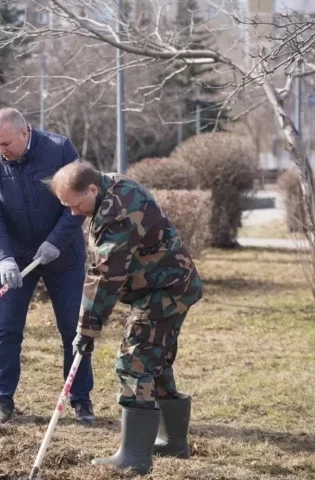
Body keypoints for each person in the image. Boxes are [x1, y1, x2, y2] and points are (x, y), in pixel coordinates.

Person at [48, 161, 203, 475]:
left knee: (134, 361)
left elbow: (106, 275)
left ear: (92, 189)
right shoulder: (108, 187)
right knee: (154, 361)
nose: (74, 213)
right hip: (165, 286)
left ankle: (134, 456)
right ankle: (173, 442)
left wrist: (87, 329)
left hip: (166, 290)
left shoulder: (118, 211)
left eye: (76, 205)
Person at [0, 108, 93, 424]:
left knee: (73, 328)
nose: (1, 150)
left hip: (63, 255)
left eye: (6, 143)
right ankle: (2, 399)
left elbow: (78, 202)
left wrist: (55, 241)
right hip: (17, 259)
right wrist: (4, 257)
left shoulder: (58, 149)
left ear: (25, 132)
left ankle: (81, 400)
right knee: (7, 329)